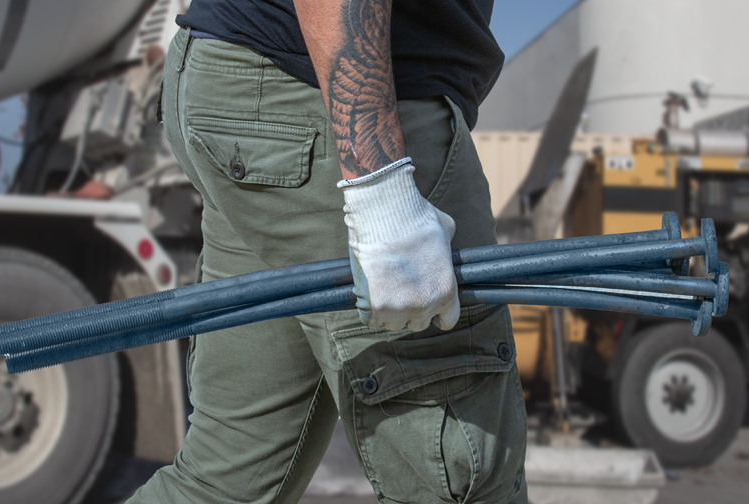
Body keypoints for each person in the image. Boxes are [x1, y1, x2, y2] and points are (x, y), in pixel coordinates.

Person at [128, 1, 528, 502]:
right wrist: (380, 192)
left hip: (252, 87)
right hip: (337, 99)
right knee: (464, 482)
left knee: (226, 479)